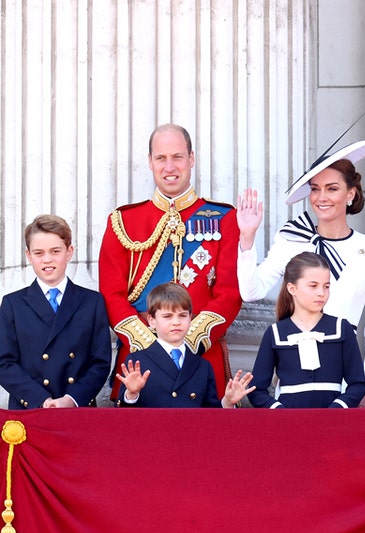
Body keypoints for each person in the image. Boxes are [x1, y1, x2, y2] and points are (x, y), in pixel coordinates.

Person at [236, 139, 365, 406]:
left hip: (345, 377)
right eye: (315, 189)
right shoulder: (292, 238)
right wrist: (247, 240)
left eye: (332, 189)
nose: (321, 197)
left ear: (351, 193)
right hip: (294, 379)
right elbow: (251, 292)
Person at [99, 124, 243, 399]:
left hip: (200, 358)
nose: (169, 167)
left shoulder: (224, 219)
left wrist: (187, 341)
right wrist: (149, 344)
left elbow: (230, 293)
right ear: (150, 162)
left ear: (191, 159)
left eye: (177, 157)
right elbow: (111, 294)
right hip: (140, 359)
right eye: (161, 158)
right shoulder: (123, 221)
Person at [0, 215, 112, 409]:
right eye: (39, 253)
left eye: (55, 251)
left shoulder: (92, 302)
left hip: (77, 409)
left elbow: (100, 363)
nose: (47, 259)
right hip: (30, 409)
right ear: (28, 255)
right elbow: (4, 363)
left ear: (69, 252)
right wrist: (41, 400)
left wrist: (72, 399)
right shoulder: (12, 304)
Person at [247, 253, 365, 409]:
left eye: (326, 286)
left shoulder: (341, 328)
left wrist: (337, 409)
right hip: (289, 425)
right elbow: (256, 390)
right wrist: (279, 412)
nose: (321, 293)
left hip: (333, 425)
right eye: (313, 286)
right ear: (292, 288)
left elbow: (357, 384)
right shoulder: (275, 333)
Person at [116, 283, 253, 408]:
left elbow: (210, 416)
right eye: (167, 316)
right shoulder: (137, 362)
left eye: (182, 315)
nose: (176, 322)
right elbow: (123, 418)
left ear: (190, 318)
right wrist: (132, 394)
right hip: (152, 433)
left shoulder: (202, 366)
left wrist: (227, 402)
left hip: (192, 434)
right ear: (152, 321)